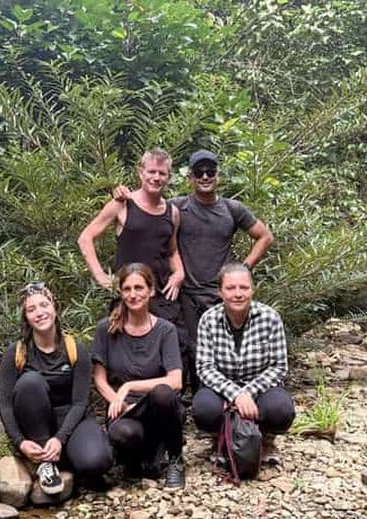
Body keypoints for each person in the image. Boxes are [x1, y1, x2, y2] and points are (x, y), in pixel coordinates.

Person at [0, 282, 113, 494]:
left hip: (70, 418)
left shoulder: (74, 348)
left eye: (44, 305)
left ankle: (65, 455)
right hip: (36, 423)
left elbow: (80, 402)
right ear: (26, 317)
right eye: (31, 310)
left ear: (54, 308)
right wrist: (20, 442)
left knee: (97, 462)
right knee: (30, 381)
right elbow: (4, 404)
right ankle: (45, 462)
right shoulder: (17, 352)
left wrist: (60, 439)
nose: (39, 313)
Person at [174, 150, 274, 393]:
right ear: (190, 177)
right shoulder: (178, 207)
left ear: (218, 175)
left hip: (221, 295)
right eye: (199, 172)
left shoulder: (232, 209)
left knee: (222, 350)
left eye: (210, 171)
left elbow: (265, 237)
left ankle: (219, 401)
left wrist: (242, 269)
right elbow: (147, 209)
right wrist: (122, 196)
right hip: (185, 294)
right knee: (187, 347)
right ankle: (192, 403)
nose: (205, 176)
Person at [91, 263, 186, 488]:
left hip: (157, 408)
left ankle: (175, 459)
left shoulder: (165, 330)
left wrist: (129, 387)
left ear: (151, 291)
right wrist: (117, 400)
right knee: (123, 433)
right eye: (127, 289)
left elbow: (175, 381)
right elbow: (99, 378)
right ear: (121, 293)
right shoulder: (107, 328)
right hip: (123, 411)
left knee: (163, 393)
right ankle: (136, 461)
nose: (133, 295)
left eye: (139, 288)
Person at [193, 262, 294, 463]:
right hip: (221, 388)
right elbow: (205, 367)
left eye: (244, 287)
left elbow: (279, 366)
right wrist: (236, 394)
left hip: (261, 387)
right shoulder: (208, 320)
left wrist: (248, 392)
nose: (238, 294)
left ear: (252, 289)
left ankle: (266, 440)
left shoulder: (270, 317)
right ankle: (219, 440)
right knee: (203, 408)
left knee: (281, 409)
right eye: (230, 288)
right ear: (220, 292)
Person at [77, 148, 185, 324]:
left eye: (162, 173)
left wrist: (180, 273)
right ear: (141, 173)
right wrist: (100, 276)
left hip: (161, 298)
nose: (156, 177)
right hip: (129, 296)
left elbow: (172, 251)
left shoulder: (172, 213)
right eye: (151, 171)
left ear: (168, 177)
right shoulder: (122, 205)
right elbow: (85, 238)